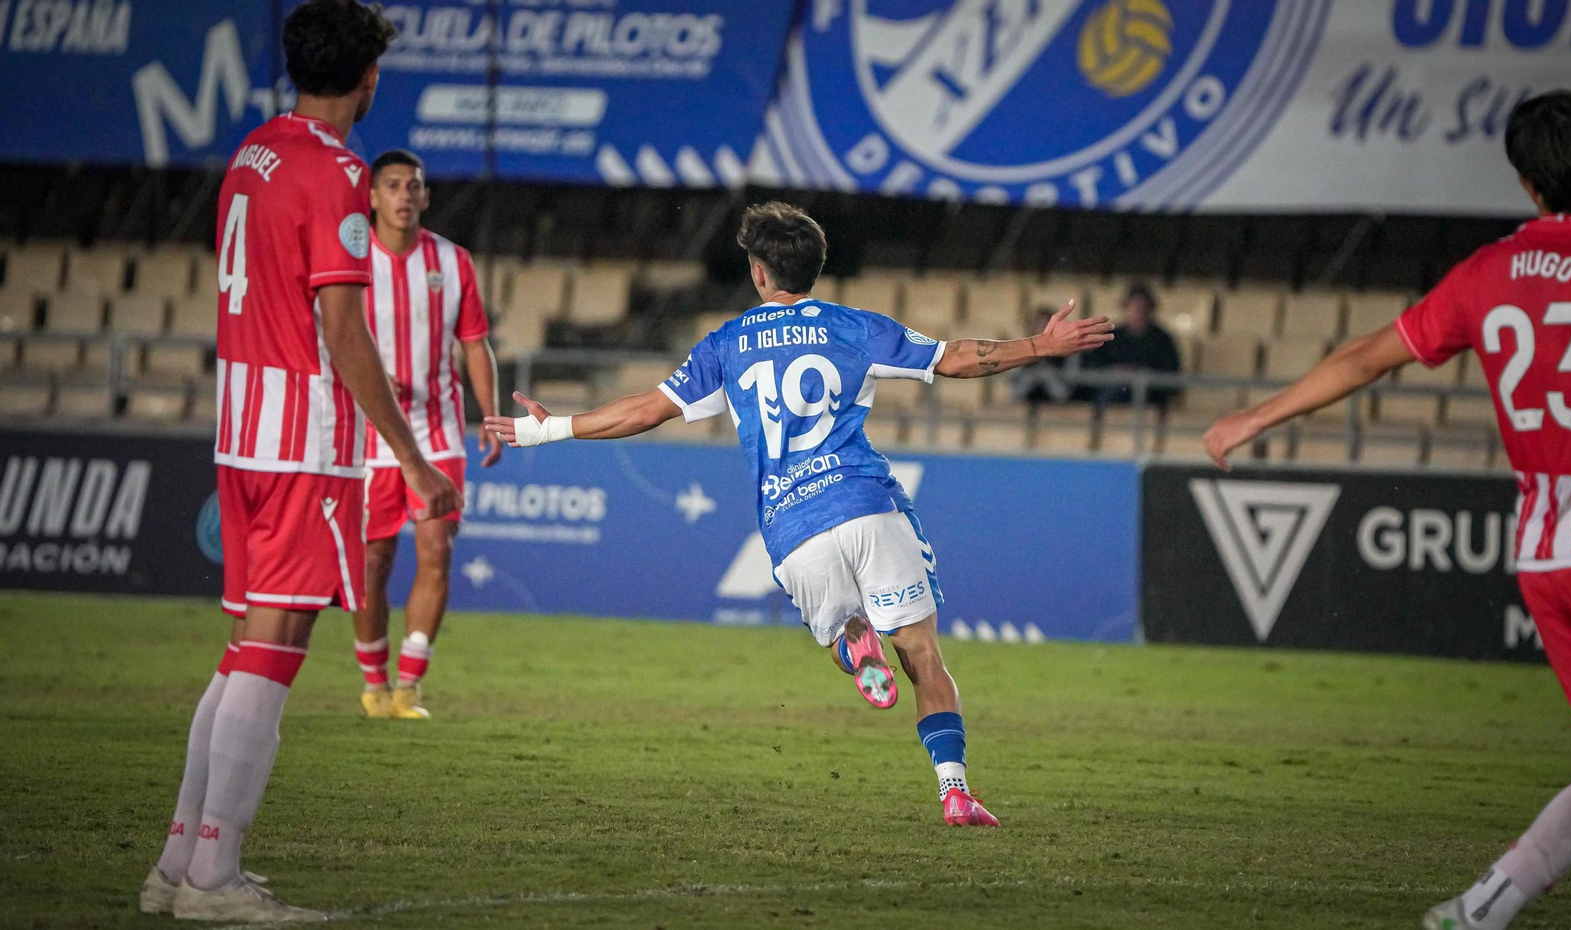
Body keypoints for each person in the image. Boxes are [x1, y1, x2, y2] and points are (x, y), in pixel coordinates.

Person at [485, 202, 1113, 827]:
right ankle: (954, 792)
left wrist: (552, 429)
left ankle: (850, 642)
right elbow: (955, 357)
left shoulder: (726, 345)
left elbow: (644, 410)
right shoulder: (853, 326)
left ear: (759, 273)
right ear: (815, 269)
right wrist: (1042, 343)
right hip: (866, 503)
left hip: (792, 526)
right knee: (922, 653)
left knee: (840, 629)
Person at [1200, 89, 1571, 929]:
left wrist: (1255, 416)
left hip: (1548, 555)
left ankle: (1484, 908)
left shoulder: (1488, 273)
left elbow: (1366, 358)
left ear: (1527, 185)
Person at [140, 2, 461, 922]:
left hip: (241, 429)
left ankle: (177, 865)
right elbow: (342, 329)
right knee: (274, 652)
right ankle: (214, 880)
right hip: (303, 442)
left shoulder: (254, 152)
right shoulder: (337, 172)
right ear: (368, 79)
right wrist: (411, 457)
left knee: (244, 650)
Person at [352, 149, 501, 721]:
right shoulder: (351, 256)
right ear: (371, 196)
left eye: (413, 186)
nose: (404, 195)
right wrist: (364, 376)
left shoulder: (450, 260)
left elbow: (473, 341)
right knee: (374, 562)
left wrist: (487, 414)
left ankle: (409, 685)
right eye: (392, 185)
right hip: (367, 438)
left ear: (426, 197)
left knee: (436, 550)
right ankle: (373, 683)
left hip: (438, 432)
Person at [1081, 282, 1181, 409]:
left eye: (1143, 308)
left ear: (1150, 309)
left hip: (1149, 395)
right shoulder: (1111, 336)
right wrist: (1115, 371)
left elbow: (1170, 373)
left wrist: (1140, 373)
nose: (1138, 312)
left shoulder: (1163, 339)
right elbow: (1092, 365)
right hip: (1112, 389)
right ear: (1125, 307)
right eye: (1134, 307)